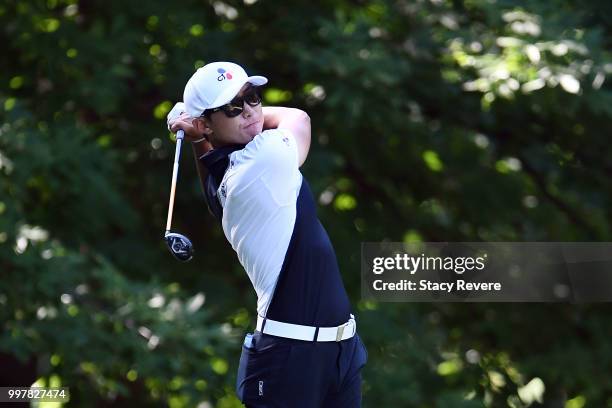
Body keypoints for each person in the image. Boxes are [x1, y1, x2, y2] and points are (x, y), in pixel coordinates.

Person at [168, 61, 367, 407]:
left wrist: (198, 134)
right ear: (206, 124)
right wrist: (198, 129)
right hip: (289, 360)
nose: (249, 111)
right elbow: (299, 118)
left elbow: (212, 165)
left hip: (338, 351)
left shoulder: (223, 172)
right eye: (232, 107)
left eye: (253, 97)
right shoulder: (262, 160)